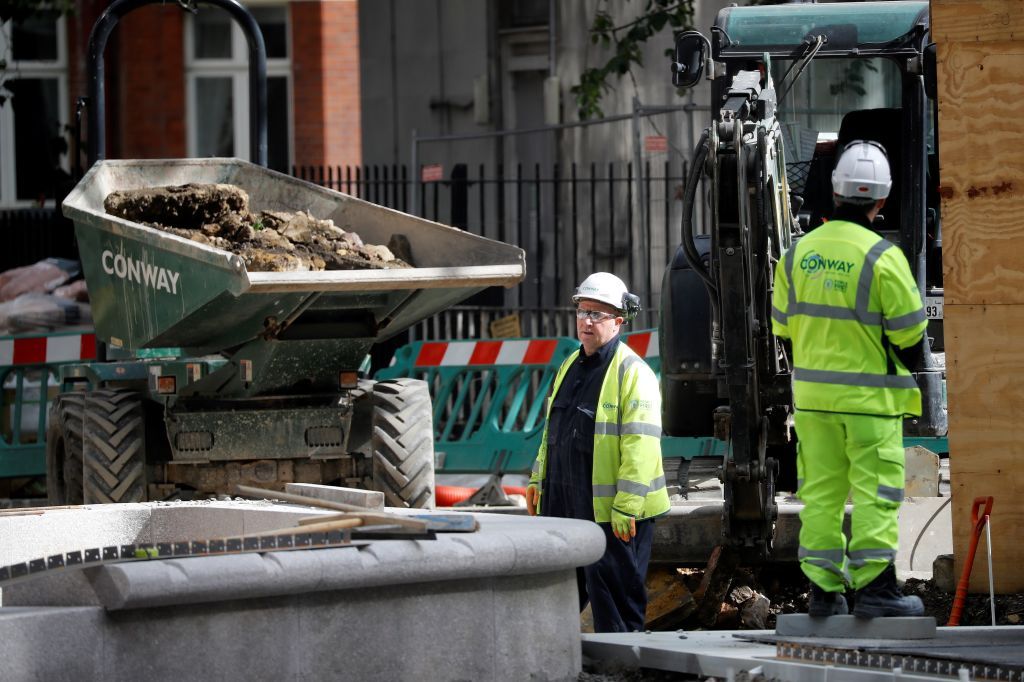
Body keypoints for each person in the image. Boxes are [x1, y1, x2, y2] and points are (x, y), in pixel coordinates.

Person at [771, 140, 927, 618]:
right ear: (881, 201)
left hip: (814, 403)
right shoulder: (884, 257)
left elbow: (783, 329)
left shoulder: (797, 255)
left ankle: (824, 592)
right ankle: (876, 590)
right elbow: (910, 334)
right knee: (877, 493)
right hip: (870, 404)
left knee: (820, 493)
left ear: (835, 192)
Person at [526, 272, 670, 632]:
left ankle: (625, 667)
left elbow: (641, 443)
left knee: (615, 603)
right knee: (555, 599)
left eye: (598, 314)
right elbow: (552, 432)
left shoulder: (633, 373)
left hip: (614, 514)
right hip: (566, 504)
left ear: (619, 321)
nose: (587, 321)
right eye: (583, 311)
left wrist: (627, 505)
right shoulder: (569, 366)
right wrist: (538, 479)